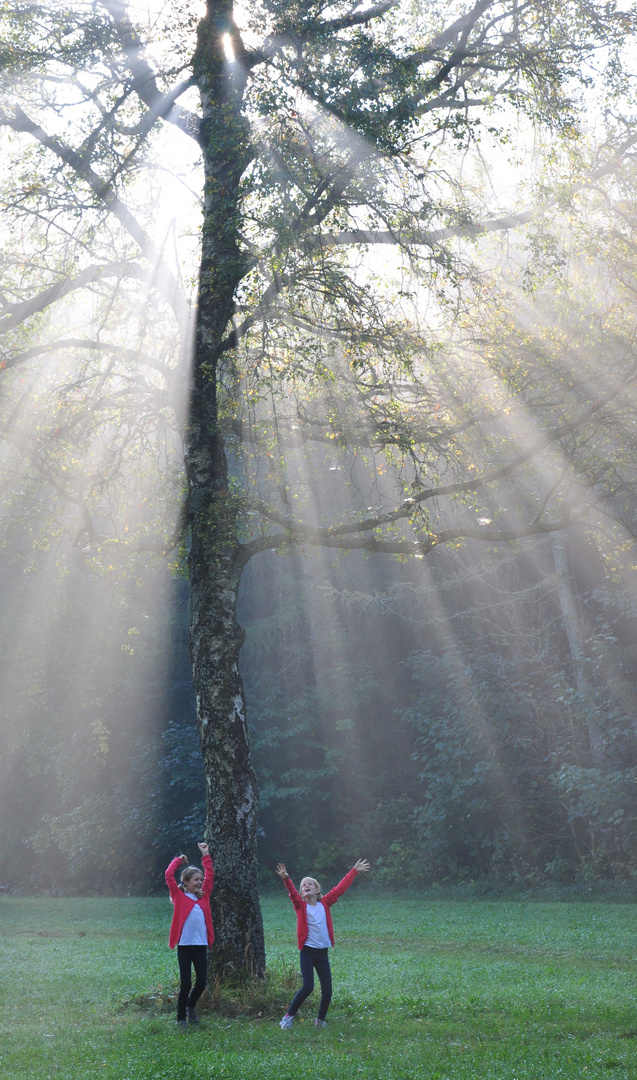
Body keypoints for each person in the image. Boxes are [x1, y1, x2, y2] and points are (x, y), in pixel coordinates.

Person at [275, 858, 370, 1030]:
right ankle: (288, 1017)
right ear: (302, 893)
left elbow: (339, 889)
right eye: (304, 886)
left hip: (322, 953)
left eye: (310, 884)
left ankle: (320, 1020)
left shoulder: (325, 903)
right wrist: (286, 879)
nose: (306, 886)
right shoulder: (300, 906)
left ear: (317, 890)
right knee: (308, 986)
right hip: (307, 952)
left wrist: (354, 871)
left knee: (327, 990)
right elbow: (292, 894)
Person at [165, 841, 214, 1030]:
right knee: (186, 984)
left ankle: (190, 1007)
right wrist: (179, 861)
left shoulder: (204, 895)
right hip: (184, 946)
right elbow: (168, 875)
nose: (200, 883)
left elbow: (210, 876)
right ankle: (180, 1019)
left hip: (200, 946)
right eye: (196, 880)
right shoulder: (178, 896)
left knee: (201, 982)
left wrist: (205, 855)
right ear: (185, 882)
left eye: (201, 881)